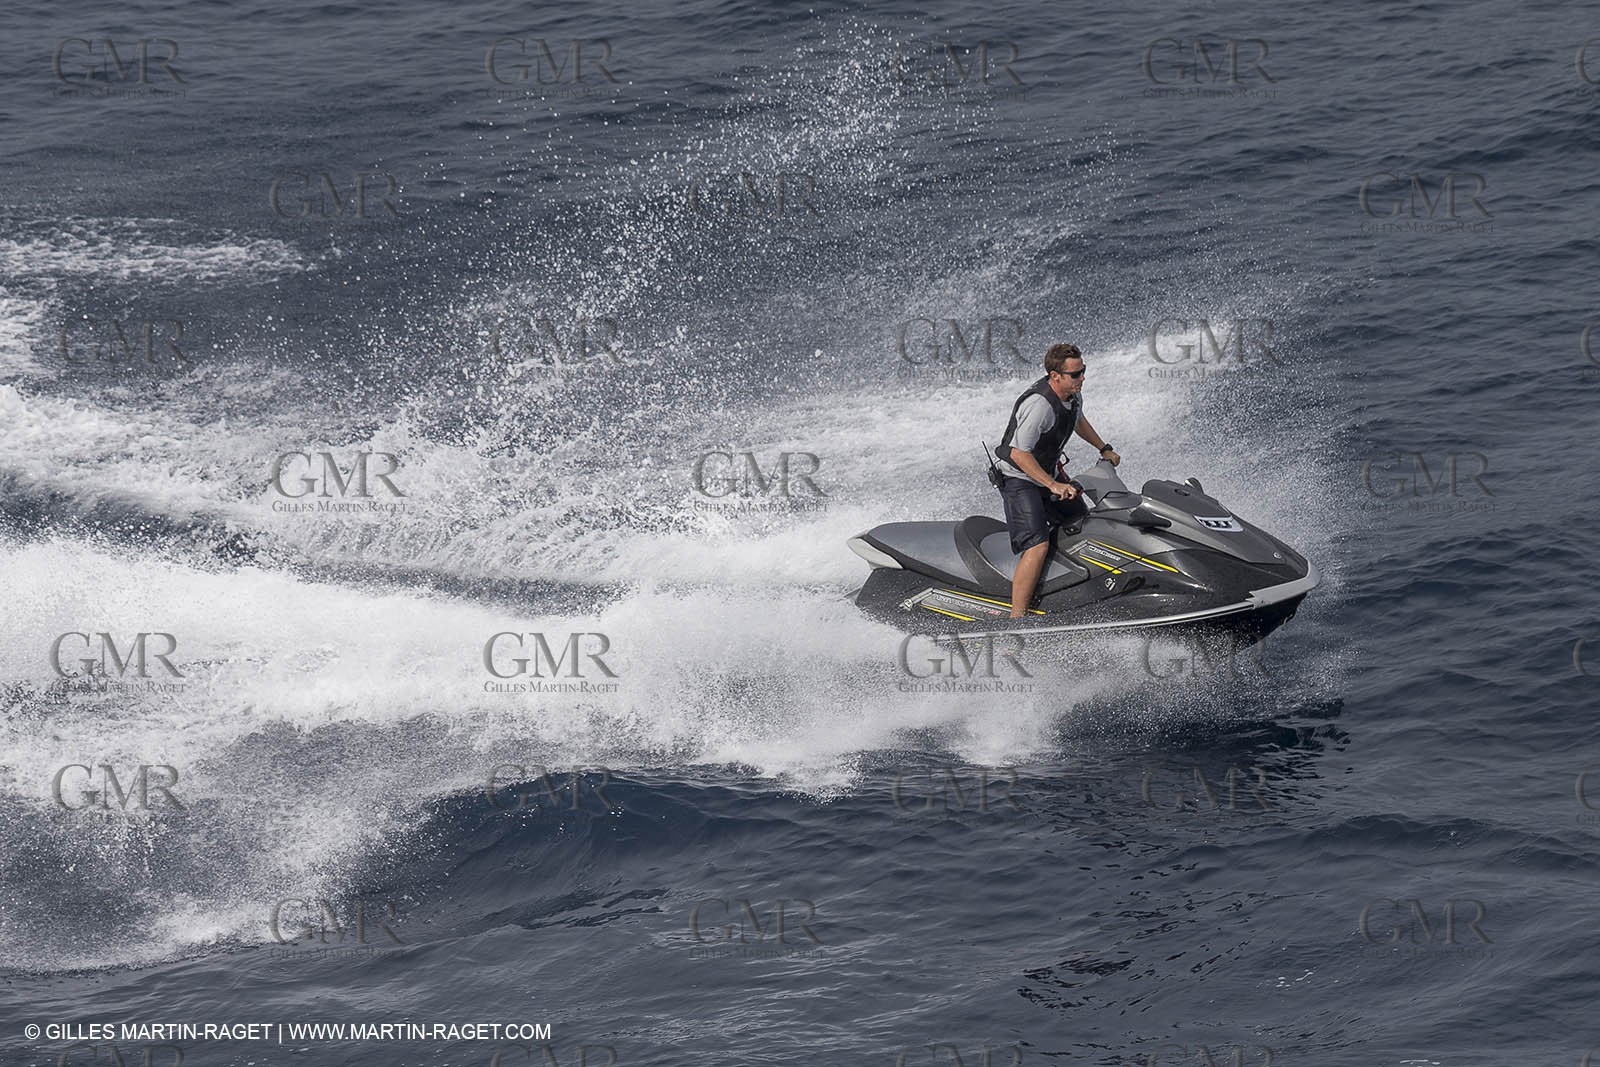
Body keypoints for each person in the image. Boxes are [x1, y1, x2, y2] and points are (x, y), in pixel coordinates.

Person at [993, 343, 1122, 618]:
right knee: (1037, 545)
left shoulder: (1073, 396)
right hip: (1019, 478)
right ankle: (1017, 620)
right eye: (1075, 374)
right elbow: (1018, 454)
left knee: (1081, 525)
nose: (1082, 378)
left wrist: (1103, 448)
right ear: (1055, 376)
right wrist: (1052, 485)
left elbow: (1078, 422)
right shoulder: (1039, 405)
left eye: (1083, 371)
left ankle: (1068, 590)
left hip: (1047, 474)